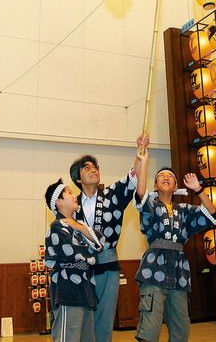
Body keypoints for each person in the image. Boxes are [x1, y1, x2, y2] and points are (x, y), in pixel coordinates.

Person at [69, 135, 150, 342]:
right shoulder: (72, 204)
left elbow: (131, 179)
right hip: (80, 264)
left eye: (95, 167)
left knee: (105, 313)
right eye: (87, 168)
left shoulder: (111, 195)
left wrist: (139, 151)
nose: (93, 170)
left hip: (107, 260)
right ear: (77, 178)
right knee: (82, 314)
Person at [133, 162, 216, 342]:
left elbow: (212, 214)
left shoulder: (185, 210)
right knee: (150, 326)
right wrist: (144, 163)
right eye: (161, 176)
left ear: (176, 187)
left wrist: (198, 189)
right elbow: (140, 194)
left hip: (179, 271)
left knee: (181, 326)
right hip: (153, 269)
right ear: (155, 186)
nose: (165, 178)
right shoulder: (151, 204)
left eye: (170, 176)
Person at [43, 179, 103, 342]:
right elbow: (76, 253)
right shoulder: (57, 226)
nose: (74, 195)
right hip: (67, 290)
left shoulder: (79, 225)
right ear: (59, 202)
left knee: (87, 337)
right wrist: (89, 250)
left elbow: (100, 242)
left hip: (85, 288)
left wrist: (79, 228)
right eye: (68, 193)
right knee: (68, 336)